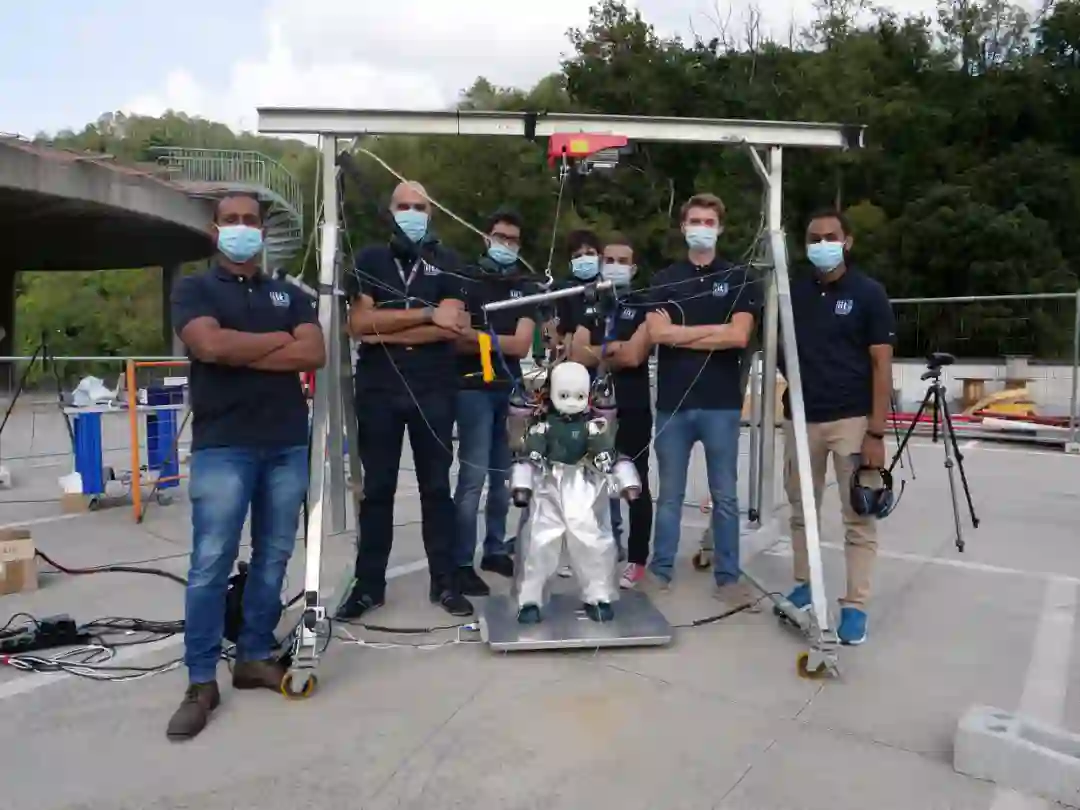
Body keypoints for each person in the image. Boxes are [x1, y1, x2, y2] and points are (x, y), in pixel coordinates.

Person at [166, 191, 326, 741]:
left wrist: (244, 348)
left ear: (262, 230)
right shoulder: (194, 289)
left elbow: (313, 353)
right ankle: (200, 680)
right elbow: (208, 346)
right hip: (224, 444)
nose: (242, 228)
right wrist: (277, 342)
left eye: (250, 221)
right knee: (211, 562)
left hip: (285, 442)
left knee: (274, 555)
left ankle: (254, 654)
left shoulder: (290, 294)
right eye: (231, 220)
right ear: (215, 231)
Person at [336, 181, 473, 621]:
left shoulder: (448, 261)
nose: (412, 213)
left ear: (431, 213)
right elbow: (359, 324)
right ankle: (368, 585)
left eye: (420, 206)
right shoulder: (370, 259)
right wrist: (426, 314)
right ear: (390, 211)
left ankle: (445, 581)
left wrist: (387, 327)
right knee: (377, 489)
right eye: (404, 206)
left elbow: (454, 325)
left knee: (437, 488)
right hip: (379, 388)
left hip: (435, 386)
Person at [780, 209, 895, 646]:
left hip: (852, 420)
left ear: (847, 241)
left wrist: (877, 433)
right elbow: (780, 351)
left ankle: (855, 605)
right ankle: (805, 584)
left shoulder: (868, 294)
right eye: (814, 238)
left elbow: (882, 365)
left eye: (831, 236)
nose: (822, 244)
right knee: (801, 509)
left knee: (858, 515)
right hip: (802, 418)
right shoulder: (794, 294)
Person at [646, 193, 760, 609]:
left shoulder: (739, 277)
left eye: (709, 222)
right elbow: (657, 334)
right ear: (683, 227)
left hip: (720, 403)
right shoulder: (664, 279)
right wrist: (713, 332)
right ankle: (660, 570)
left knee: (725, 496)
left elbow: (739, 336)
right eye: (695, 221)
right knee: (669, 495)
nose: (702, 228)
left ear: (720, 228)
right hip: (673, 404)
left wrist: (681, 335)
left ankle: (727, 577)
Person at [452, 209, 538, 595]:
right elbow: (456, 338)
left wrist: (479, 337)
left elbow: (522, 344)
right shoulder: (466, 280)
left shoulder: (524, 286)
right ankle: (460, 560)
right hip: (472, 389)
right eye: (500, 237)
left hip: (510, 390)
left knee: (503, 477)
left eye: (513, 240)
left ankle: (494, 548)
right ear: (486, 238)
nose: (507, 245)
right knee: (472, 478)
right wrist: (488, 340)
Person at [571, 233, 654, 588]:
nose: (615, 266)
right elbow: (576, 353)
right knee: (589, 481)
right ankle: (593, 552)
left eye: (623, 261)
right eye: (609, 260)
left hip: (632, 405)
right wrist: (614, 348)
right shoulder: (591, 303)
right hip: (592, 406)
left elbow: (635, 355)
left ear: (633, 269)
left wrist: (601, 350)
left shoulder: (646, 305)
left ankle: (637, 559)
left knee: (634, 482)